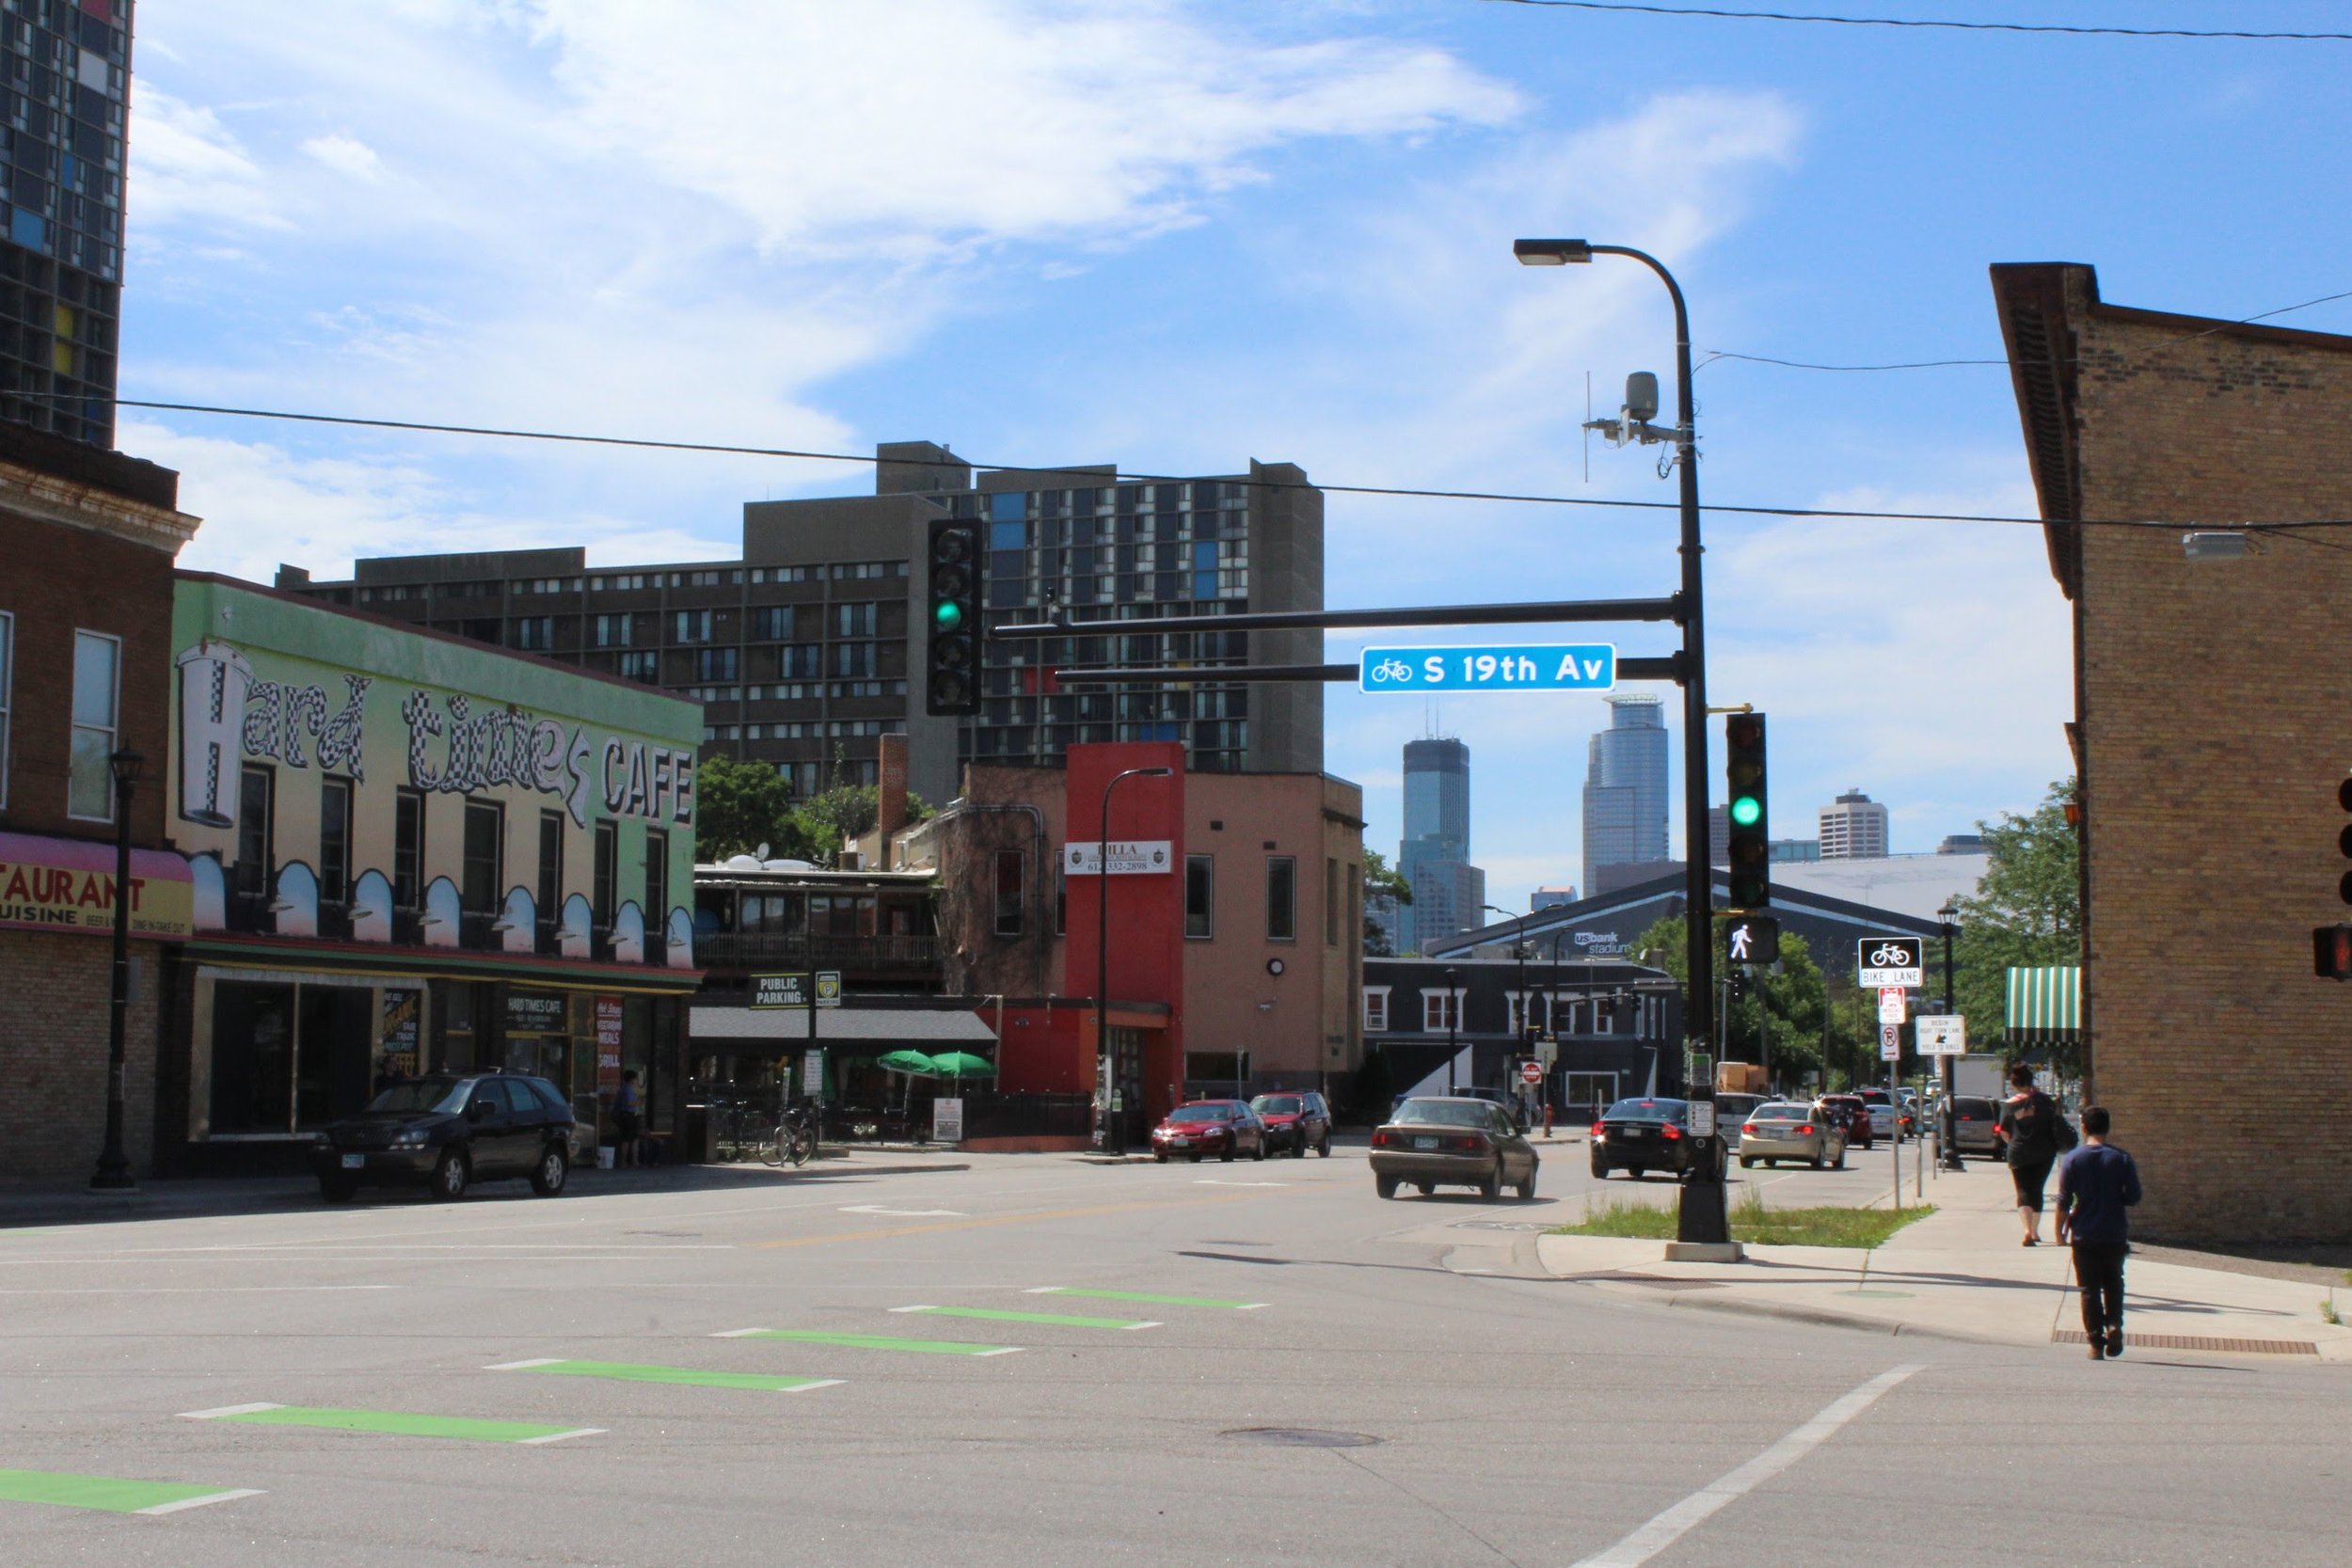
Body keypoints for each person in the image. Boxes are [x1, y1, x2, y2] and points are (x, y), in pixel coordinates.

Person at [2056, 1105, 2142, 1359]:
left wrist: (2059, 1232)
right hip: (2114, 1231)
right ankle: (2114, 1323)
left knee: (2089, 1289)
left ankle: (2095, 1342)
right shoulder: (2122, 1158)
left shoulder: (2073, 1159)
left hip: (2084, 1234)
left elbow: (2063, 1199)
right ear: (2108, 1127)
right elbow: (2134, 1196)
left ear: (2084, 1127)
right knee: (2114, 1281)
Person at [1997, 1063, 2069, 1245]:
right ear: (2030, 1080)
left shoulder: (2008, 1106)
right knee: (2037, 1189)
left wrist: (2015, 1141)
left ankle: (2027, 1230)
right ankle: (2035, 1232)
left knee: (2022, 1190)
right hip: (2044, 1151)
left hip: (2018, 1152)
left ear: (2014, 1084)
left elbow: (2004, 1132)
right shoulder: (2046, 1102)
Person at [612, 1069, 642, 1168]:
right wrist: (638, 1103)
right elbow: (629, 1103)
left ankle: (630, 1161)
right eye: (636, 1078)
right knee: (629, 1139)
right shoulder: (628, 1089)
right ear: (632, 1079)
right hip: (628, 1115)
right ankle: (628, 1161)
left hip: (626, 1115)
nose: (637, 1080)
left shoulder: (623, 1088)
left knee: (630, 1139)